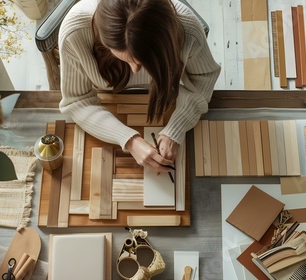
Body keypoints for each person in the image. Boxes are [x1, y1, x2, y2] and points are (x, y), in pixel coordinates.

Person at [58, 0, 221, 173]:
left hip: (167, 97)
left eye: (143, 61)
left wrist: (176, 129)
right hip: (111, 101)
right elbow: (77, 101)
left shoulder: (188, 30)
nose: (136, 70)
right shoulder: (75, 31)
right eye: (125, 59)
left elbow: (204, 79)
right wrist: (129, 140)